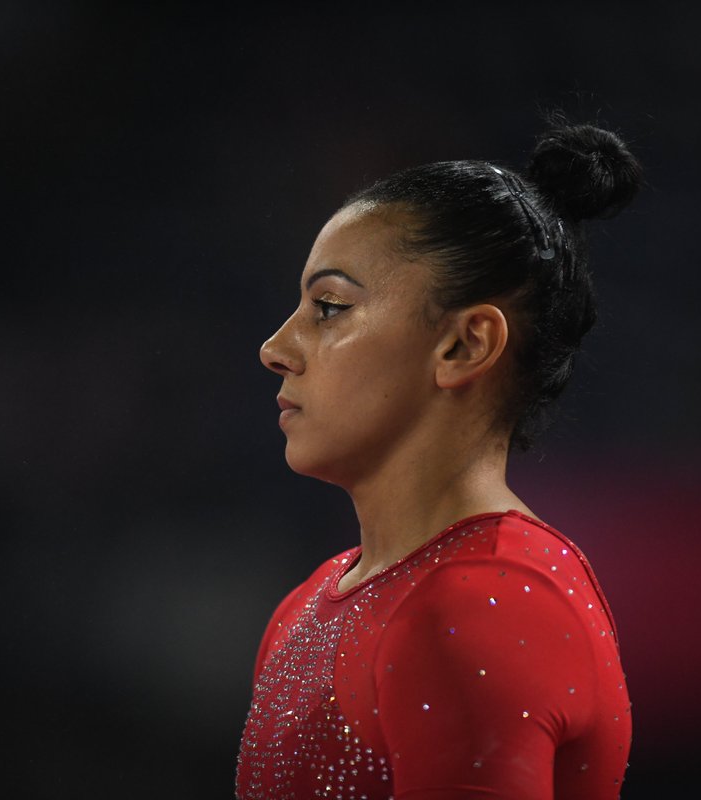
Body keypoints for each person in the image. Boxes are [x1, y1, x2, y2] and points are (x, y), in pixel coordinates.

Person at [235, 121, 642, 800]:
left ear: (464, 345)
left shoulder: (487, 601)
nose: (276, 347)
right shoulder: (306, 606)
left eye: (330, 307)